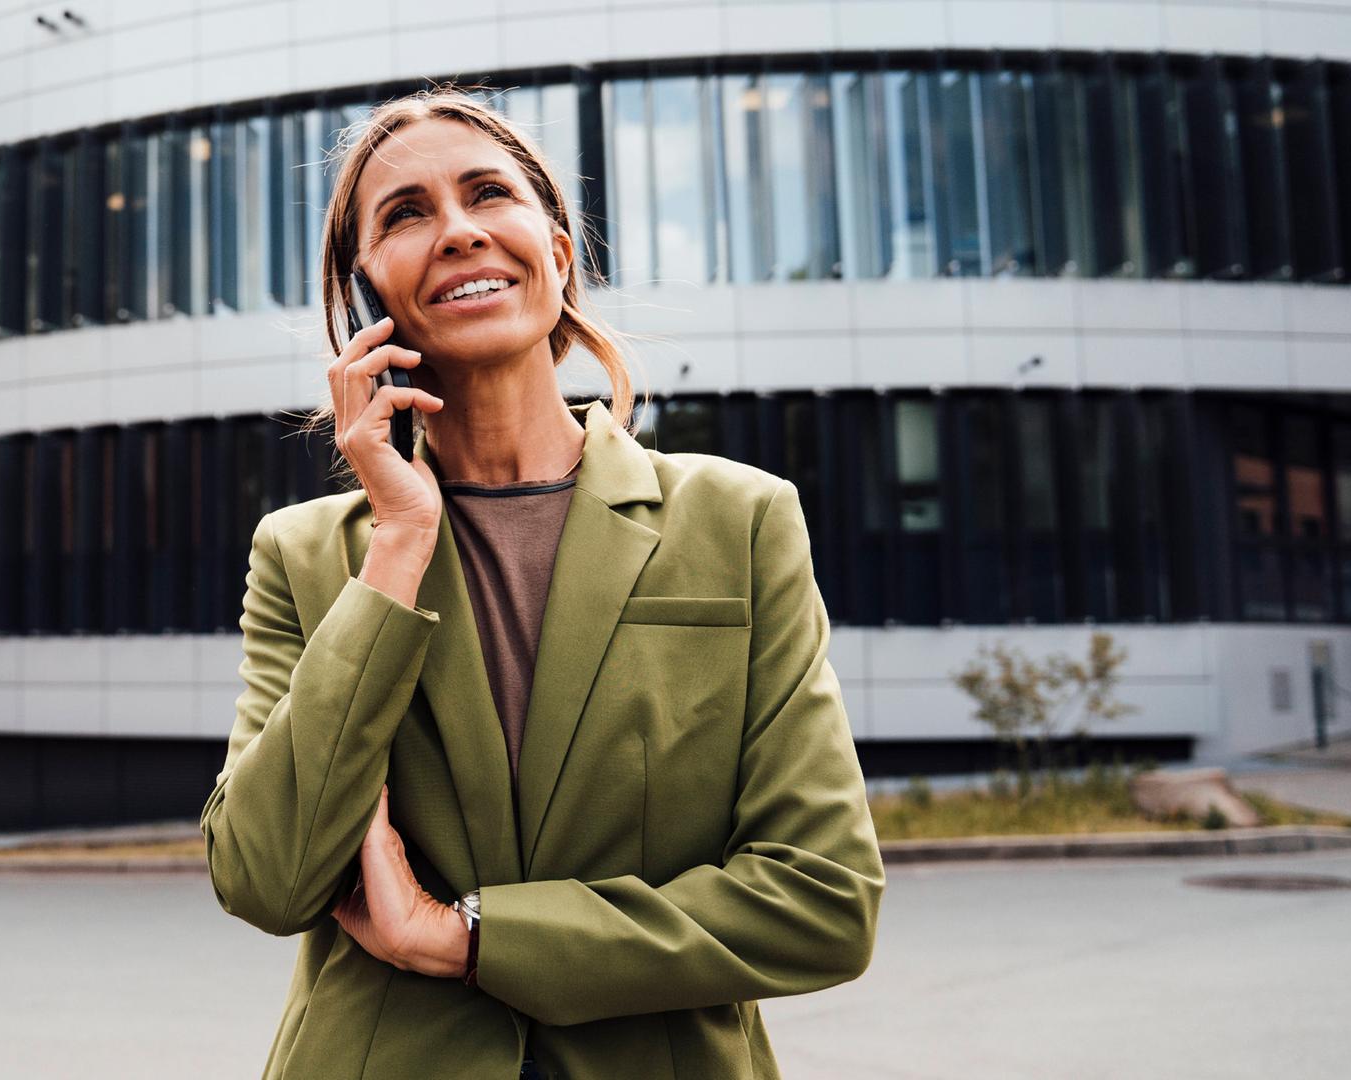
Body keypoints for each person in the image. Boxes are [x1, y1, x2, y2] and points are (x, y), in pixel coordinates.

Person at [201, 87, 884, 1080]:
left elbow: (824, 899)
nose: (460, 232)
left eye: (489, 194)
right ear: (367, 292)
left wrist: (469, 938)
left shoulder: (739, 522)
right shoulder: (304, 555)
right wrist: (398, 538)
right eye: (406, 214)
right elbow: (264, 877)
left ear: (556, 251)